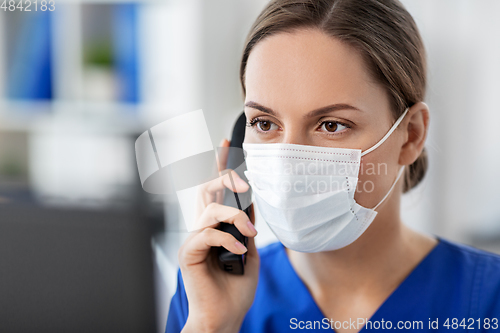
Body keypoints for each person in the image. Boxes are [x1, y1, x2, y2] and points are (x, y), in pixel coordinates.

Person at [166, 0, 500, 332]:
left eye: (331, 125)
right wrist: (211, 324)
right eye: (265, 124)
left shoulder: (488, 298)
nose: (288, 162)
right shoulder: (204, 293)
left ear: (411, 135)